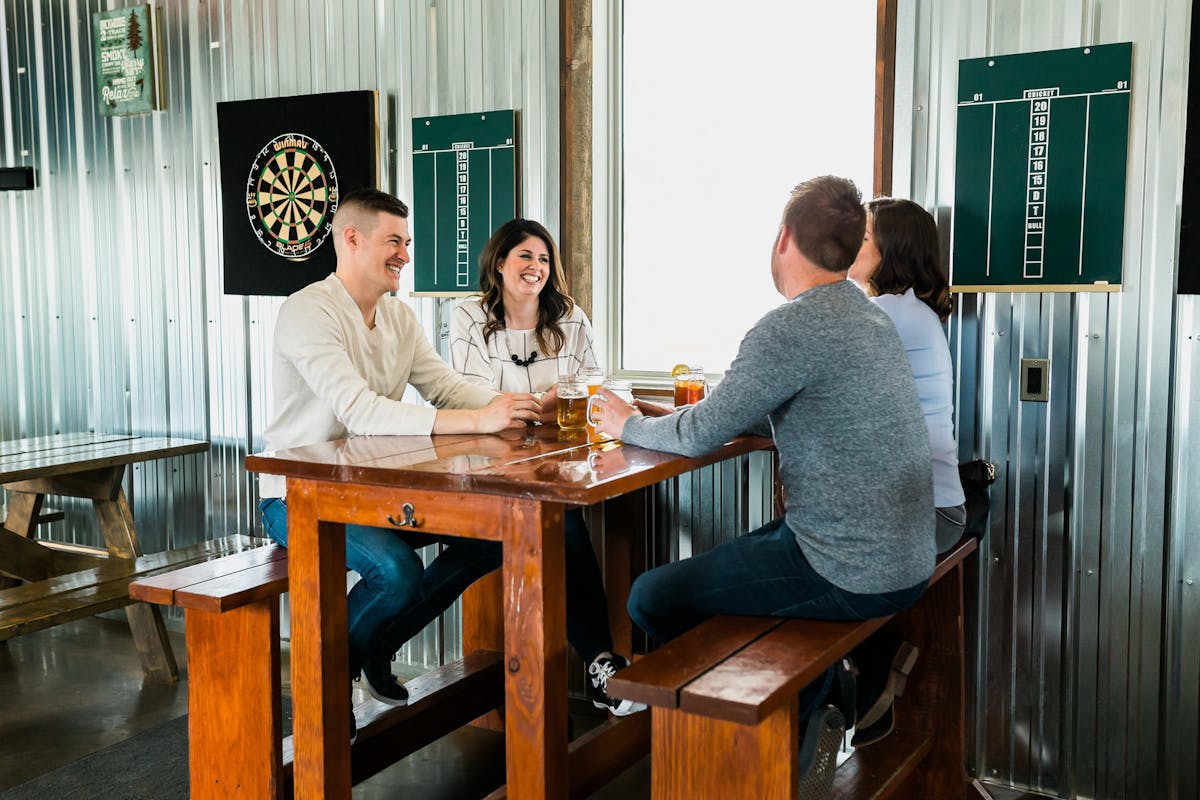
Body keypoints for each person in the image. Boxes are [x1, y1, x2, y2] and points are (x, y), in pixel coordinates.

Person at [589, 175, 936, 792]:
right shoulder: (865, 314)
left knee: (649, 598)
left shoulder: (791, 326)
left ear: (782, 239)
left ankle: (793, 715)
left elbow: (699, 435)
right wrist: (686, 416)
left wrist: (628, 423)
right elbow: (753, 407)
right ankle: (816, 701)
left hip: (848, 567)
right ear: (854, 249)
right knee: (743, 569)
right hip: (906, 554)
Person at [257, 189, 542, 719]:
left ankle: (371, 646)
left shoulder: (399, 318)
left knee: (490, 538)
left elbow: (449, 390)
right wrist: (482, 420)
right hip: (298, 496)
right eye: (394, 242)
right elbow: (362, 411)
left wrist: (519, 406)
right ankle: (329, 684)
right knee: (397, 572)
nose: (405, 256)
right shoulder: (307, 311)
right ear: (351, 239)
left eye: (406, 243)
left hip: (371, 492)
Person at [448, 218, 643, 716]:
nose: (536, 267)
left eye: (543, 259)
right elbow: (472, 395)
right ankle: (598, 665)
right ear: (499, 262)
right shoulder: (468, 313)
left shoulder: (570, 316)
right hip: (485, 464)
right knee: (557, 521)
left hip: (556, 462)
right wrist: (545, 400)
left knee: (561, 516)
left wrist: (536, 404)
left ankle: (599, 666)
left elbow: (596, 384)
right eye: (525, 257)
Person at [848, 197, 966, 554]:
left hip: (923, 515)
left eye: (863, 237)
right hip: (934, 510)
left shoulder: (889, 312)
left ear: (892, 251)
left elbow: (807, 385)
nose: (850, 243)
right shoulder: (908, 310)